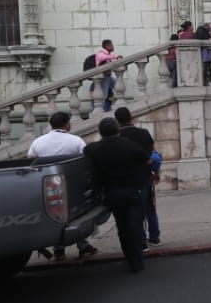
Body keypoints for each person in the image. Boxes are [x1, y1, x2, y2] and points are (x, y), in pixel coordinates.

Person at [83, 118, 151, 273]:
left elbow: (87, 158)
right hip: (133, 190)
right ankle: (137, 261)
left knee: (122, 226)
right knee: (134, 225)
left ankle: (129, 257)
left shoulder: (93, 149)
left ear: (100, 132)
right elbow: (147, 161)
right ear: (118, 130)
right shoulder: (129, 145)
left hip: (112, 193)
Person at [27, 111, 97, 260]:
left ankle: (58, 249)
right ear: (67, 124)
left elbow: (30, 160)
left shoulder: (38, 142)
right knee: (77, 216)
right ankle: (83, 247)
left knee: (55, 217)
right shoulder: (76, 140)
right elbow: (86, 160)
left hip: (49, 187)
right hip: (73, 185)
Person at [115, 106, 159, 246]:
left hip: (126, 178)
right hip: (145, 175)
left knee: (134, 210)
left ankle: (141, 241)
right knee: (149, 207)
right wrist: (156, 172)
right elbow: (153, 153)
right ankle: (154, 236)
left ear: (117, 120)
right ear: (131, 117)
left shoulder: (117, 137)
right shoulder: (143, 133)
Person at [95, 39, 121, 111]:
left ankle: (117, 104)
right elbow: (104, 57)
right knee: (104, 95)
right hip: (103, 78)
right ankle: (102, 110)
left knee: (118, 86)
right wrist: (116, 56)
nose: (113, 47)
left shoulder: (109, 55)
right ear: (107, 46)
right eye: (111, 45)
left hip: (108, 77)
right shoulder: (101, 53)